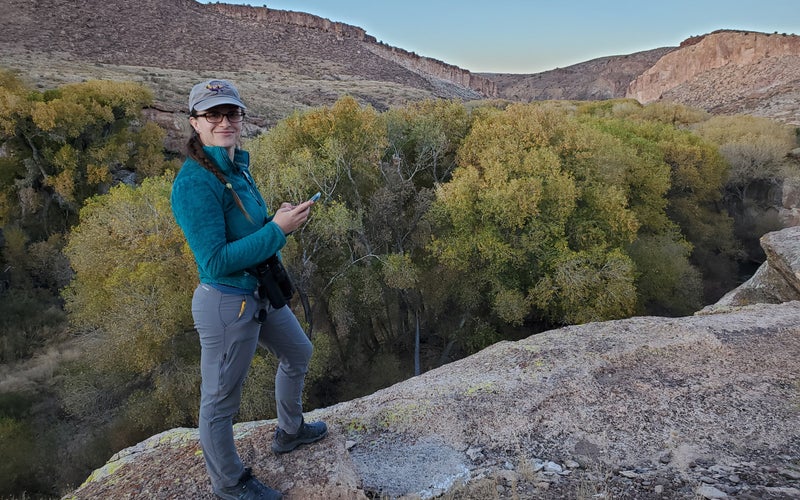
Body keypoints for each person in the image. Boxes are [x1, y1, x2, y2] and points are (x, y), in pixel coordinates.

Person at [171, 79, 327, 500]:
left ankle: (290, 432)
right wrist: (278, 231)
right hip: (226, 303)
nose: (224, 121)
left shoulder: (237, 167)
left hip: (259, 291)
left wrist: (278, 220)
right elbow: (215, 260)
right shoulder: (193, 183)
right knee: (220, 403)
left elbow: (249, 229)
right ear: (195, 123)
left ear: (242, 117)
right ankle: (229, 484)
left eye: (231, 113)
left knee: (298, 352)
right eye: (213, 115)